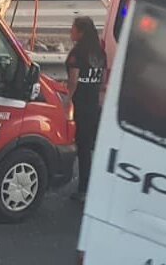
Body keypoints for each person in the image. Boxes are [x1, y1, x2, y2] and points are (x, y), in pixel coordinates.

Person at [66, 15, 107, 203]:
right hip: (94, 105)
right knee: (88, 148)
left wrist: (66, 100)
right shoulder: (99, 53)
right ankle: (90, 186)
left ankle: (82, 189)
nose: (71, 32)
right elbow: (103, 81)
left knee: (78, 146)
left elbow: (73, 81)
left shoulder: (77, 53)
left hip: (80, 105)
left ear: (80, 32)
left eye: (73, 28)